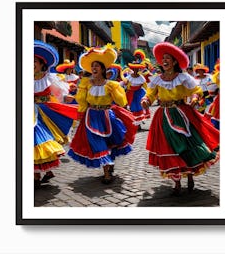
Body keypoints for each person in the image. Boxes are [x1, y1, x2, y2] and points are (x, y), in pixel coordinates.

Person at [141, 42, 220, 195]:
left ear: (175, 61)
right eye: (162, 58)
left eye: (168, 58)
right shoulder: (157, 79)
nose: (164, 61)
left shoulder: (183, 77)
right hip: (163, 115)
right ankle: (176, 182)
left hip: (182, 113)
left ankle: (190, 176)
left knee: (188, 145)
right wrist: (146, 100)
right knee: (169, 147)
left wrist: (196, 98)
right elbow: (151, 94)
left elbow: (195, 90)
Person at [68, 44, 138, 184]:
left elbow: (121, 100)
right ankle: (106, 172)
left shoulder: (111, 85)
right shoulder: (85, 84)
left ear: (103, 69)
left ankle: (109, 164)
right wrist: (80, 114)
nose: (94, 68)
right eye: (92, 66)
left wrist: (114, 91)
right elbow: (82, 101)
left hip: (107, 116)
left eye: (97, 66)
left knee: (109, 142)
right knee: (97, 142)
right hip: (91, 116)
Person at [34, 40, 78, 189]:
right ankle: (37, 174)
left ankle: (44, 171)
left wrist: (68, 98)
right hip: (31, 114)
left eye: (34, 61)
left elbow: (60, 93)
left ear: (41, 64)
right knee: (34, 141)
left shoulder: (50, 78)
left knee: (45, 141)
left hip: (47, 112)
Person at [123, 62, 148, 127]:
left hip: (139, 93)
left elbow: (144, 85)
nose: (136, 70)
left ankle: (139, 123)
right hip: (131, 93)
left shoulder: (141, 77)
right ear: (132, 69)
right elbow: (125, 83)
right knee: (132, 107)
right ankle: (135, 123)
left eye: (137, 69)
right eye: (134, 69)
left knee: (139, 107)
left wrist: (145, 93)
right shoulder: (129, 77)